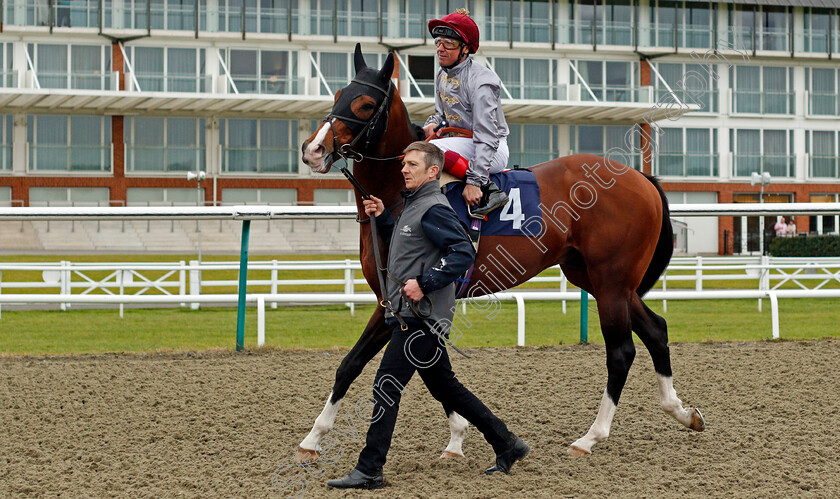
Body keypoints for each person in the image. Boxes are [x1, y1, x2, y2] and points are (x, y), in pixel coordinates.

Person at [326, 141, 529, 490]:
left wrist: (425, 282)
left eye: (413, 165)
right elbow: (410, 244)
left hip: (420, 319)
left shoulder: (433, 208)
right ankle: (507, 443)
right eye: (404, 163)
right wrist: (383, 217)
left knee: (385, 386)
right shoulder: (414, 205)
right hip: (414, 316)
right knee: (448, 389)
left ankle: (370, 468)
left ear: (433, 172)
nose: (404, 169)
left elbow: (463, 252)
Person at [422, 9, 510, 217]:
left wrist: (474, 181)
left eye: (449, 43)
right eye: (438, 42)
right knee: (420, 143)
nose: (441, 49)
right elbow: (441, 116)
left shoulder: (482, 81)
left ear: (465, 49)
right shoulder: (441, 75)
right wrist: (433, 124)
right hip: (464, 145)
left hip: (492, 149)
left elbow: (487, 135)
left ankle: (489, 188)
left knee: (428, 151)